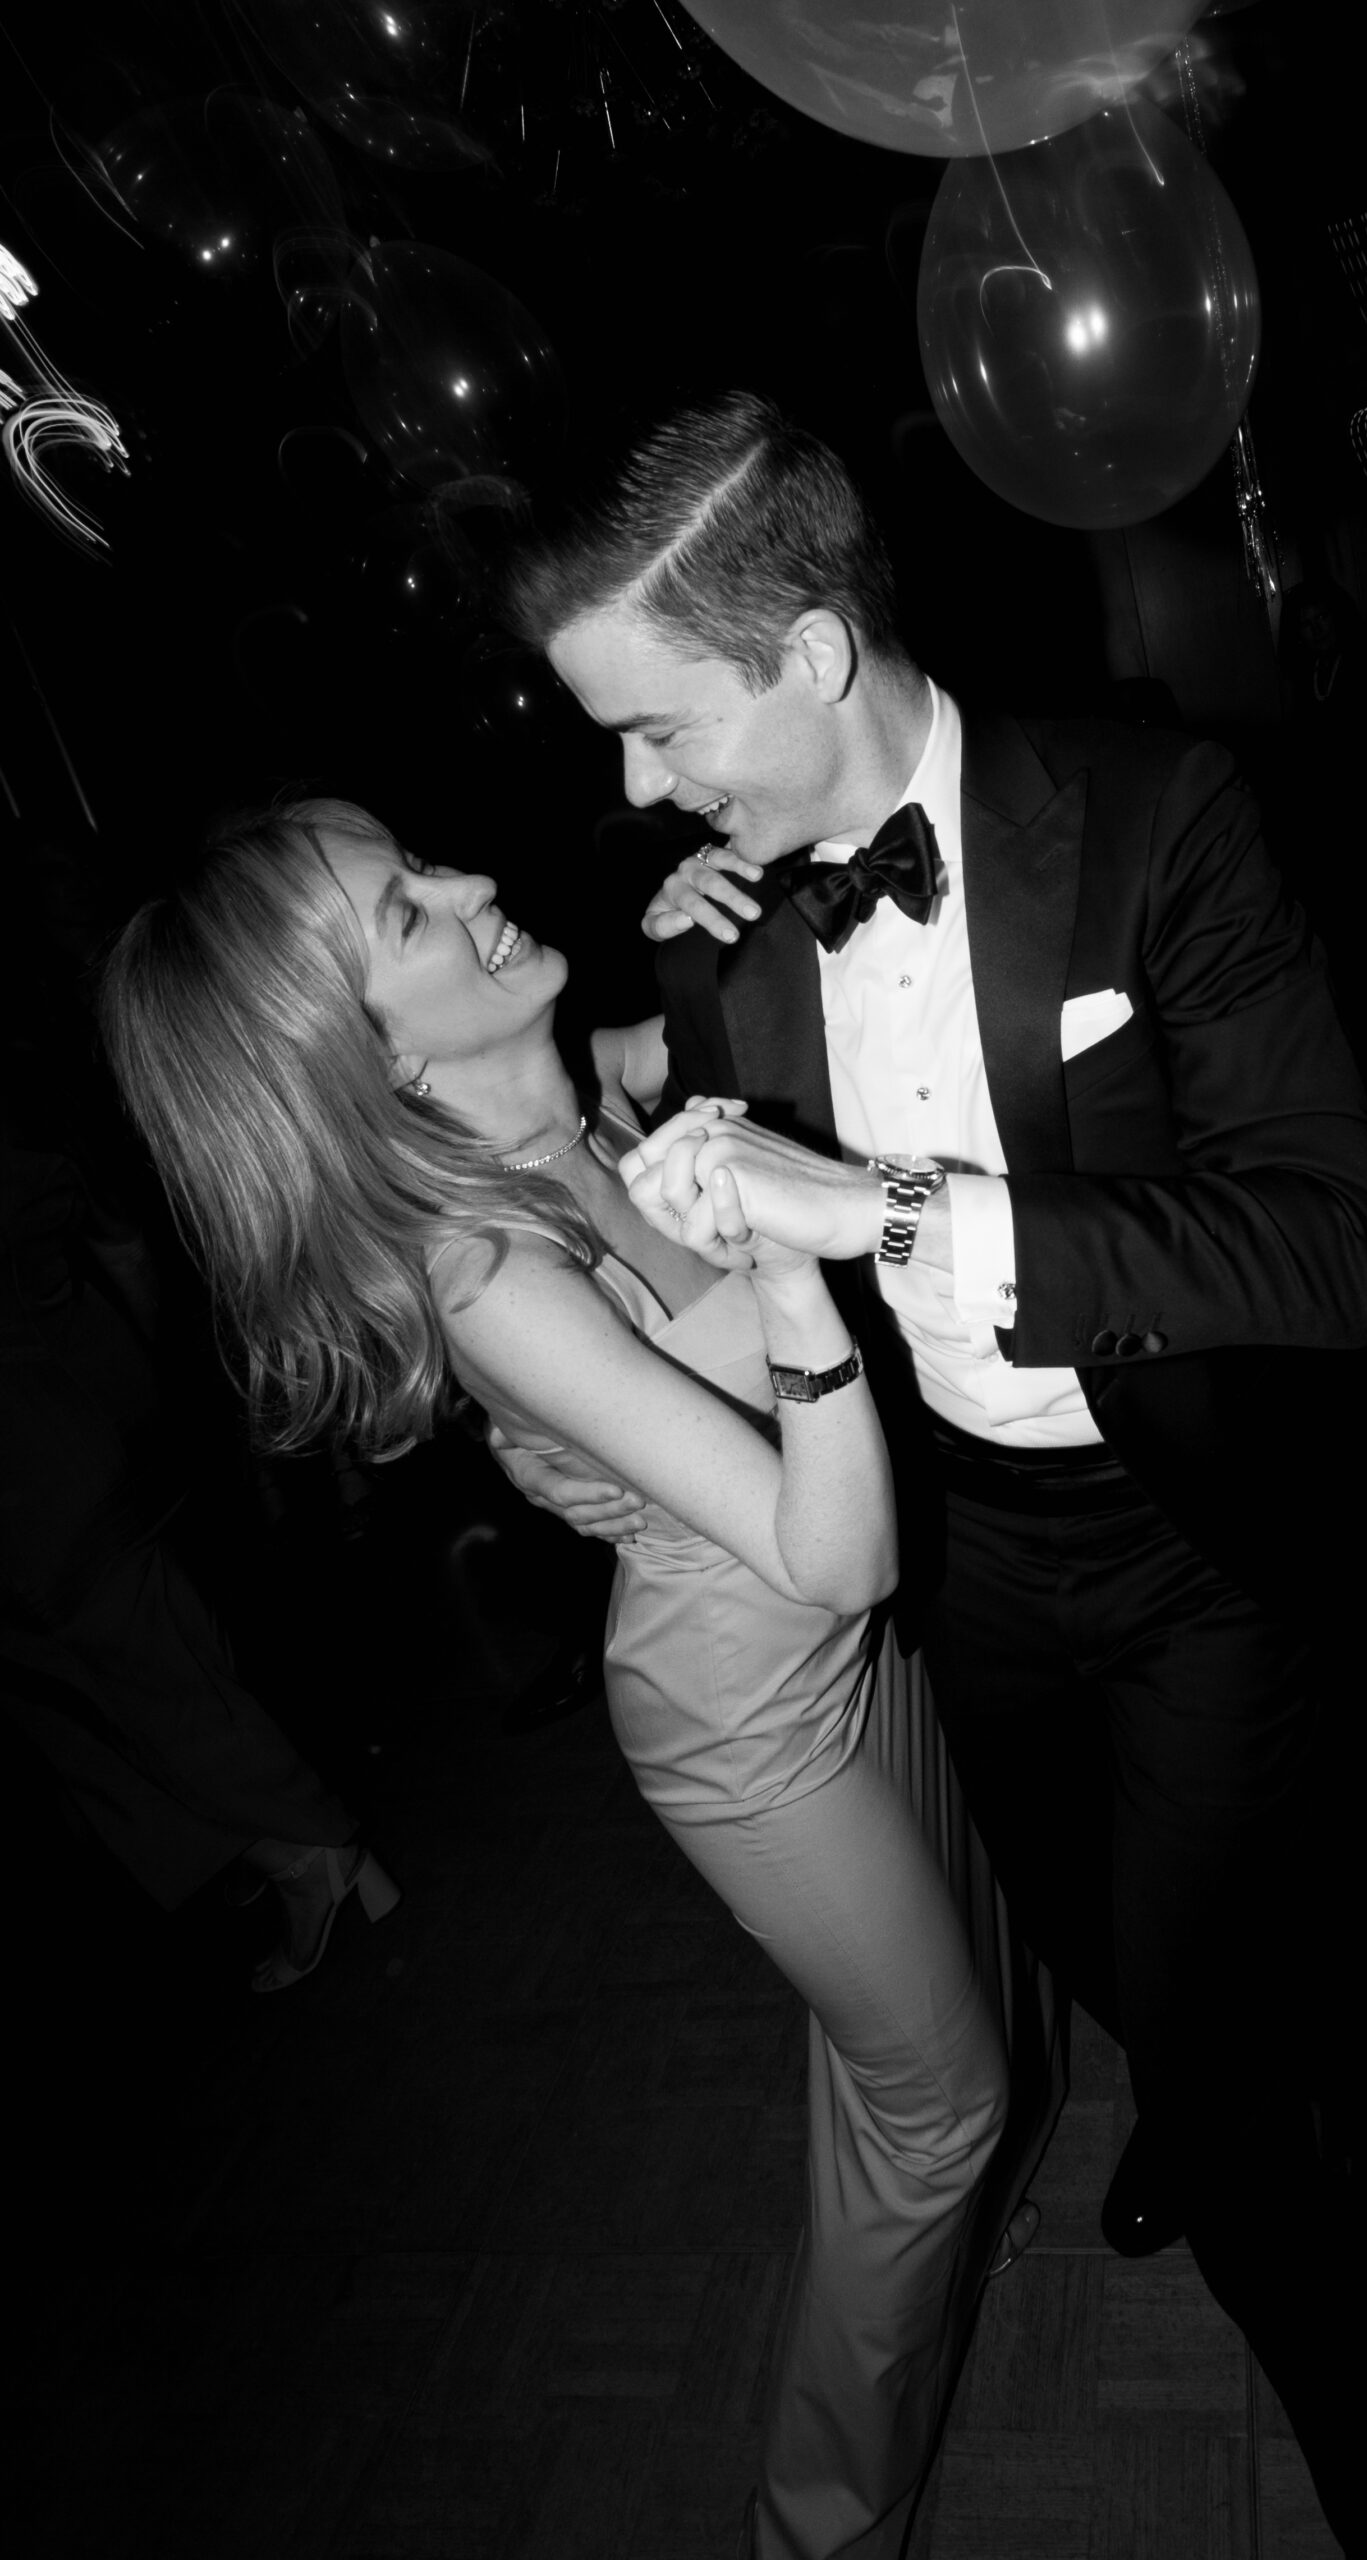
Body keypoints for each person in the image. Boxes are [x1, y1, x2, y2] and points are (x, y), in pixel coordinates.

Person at [492, 392, 1367, 2557]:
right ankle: (1189, 2081)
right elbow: (710, 1239)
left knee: (1254, 2091)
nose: (633, 788)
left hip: (1202, 1536)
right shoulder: (711, 920)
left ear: (810, 656)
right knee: (1085, 1936)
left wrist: (898, 1212)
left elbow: (1340, 1244)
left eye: (655, 729)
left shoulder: (1156, 812)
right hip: (972, 1555)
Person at [97, 795, 1011, 2560]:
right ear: (353, 1055)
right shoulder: (490, 1270)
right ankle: (818, 2533)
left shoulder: (574, 1091)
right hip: (751, 1719)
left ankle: (965, 2230)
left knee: (934, 1988)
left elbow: (742, 1018)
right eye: (413, 917)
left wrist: (709, 921)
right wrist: (804, 1287)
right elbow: (838, 1550)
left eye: (423, 864)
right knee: (936, 2101)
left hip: (838, 1648)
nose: (475, 884)